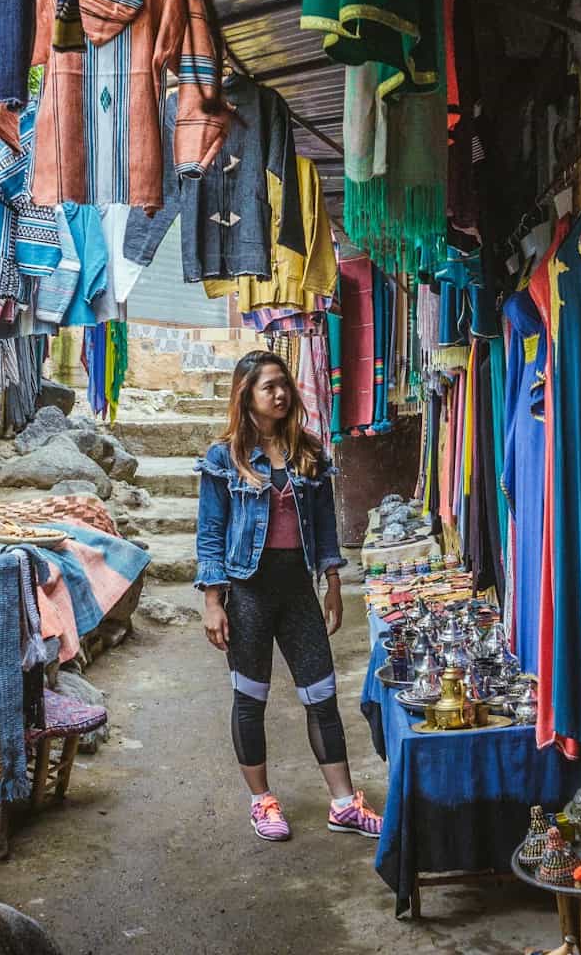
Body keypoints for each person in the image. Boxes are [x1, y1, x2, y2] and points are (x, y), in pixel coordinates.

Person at [195, 351, 381, 842]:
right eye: (268, 387)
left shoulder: (310, 452)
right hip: (247, 590)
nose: (280, 394)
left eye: (284, 385)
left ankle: (343, 804)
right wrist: (213, 601)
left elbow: (323, 528)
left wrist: (334, 581)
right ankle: (263, 802)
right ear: (246, 396)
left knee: (322, 696)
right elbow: (211, 533)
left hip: (299, 590)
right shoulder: (224, 458)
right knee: (250, 698)